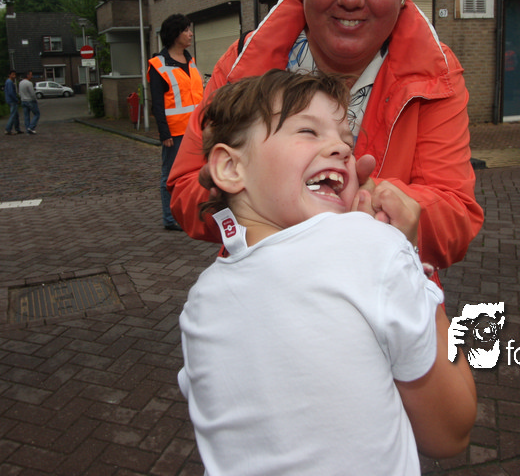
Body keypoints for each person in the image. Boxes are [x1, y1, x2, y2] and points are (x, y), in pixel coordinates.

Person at [168, 0, 483, 280]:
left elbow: (457, 215)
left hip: (386, 298)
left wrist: (386, 209)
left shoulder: (437, 76)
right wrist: (250, 196)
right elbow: (186, 191)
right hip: (266, 293)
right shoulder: (242, 65)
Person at [178, 69, 477, 474]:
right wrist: (410, 259)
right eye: (308, 131)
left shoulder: (200, 301)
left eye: (347, 143)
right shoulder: (372, 248)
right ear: (231, 168)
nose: (341, 149)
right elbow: (450, 433)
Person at [148, 14, 205, 231]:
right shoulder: (158, 65)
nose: (191, 34)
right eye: (186, 30)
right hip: (176, 132)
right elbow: (157, 104)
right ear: (174, 34)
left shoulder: (190, 61)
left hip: (197, 129)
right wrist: (164, 133)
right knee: (171, 175)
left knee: (197, 172)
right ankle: (170, 218)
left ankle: (191, 212)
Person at [19, 70, 40, 134]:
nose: (32, 76)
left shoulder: (20, 83)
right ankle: (31, 127)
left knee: (26, 116)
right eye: (31, 75)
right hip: (30, 100)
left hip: (23, 100)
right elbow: (32, 93)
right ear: (27, 75)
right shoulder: (29, 83)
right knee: (37, 114)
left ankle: (27, 129)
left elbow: (20, 92)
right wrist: (35, 99)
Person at [3, 70, 23, 135]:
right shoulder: (9, 82)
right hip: (12, 101)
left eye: (15, 74)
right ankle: (8, 129)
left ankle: (17, 129)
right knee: (13, 115)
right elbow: (11, 92)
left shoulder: (8, 82)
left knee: (16, 115)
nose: (14, 76)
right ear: (9, 75)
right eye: (13, 74)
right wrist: (16, 99)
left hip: (10, 100)